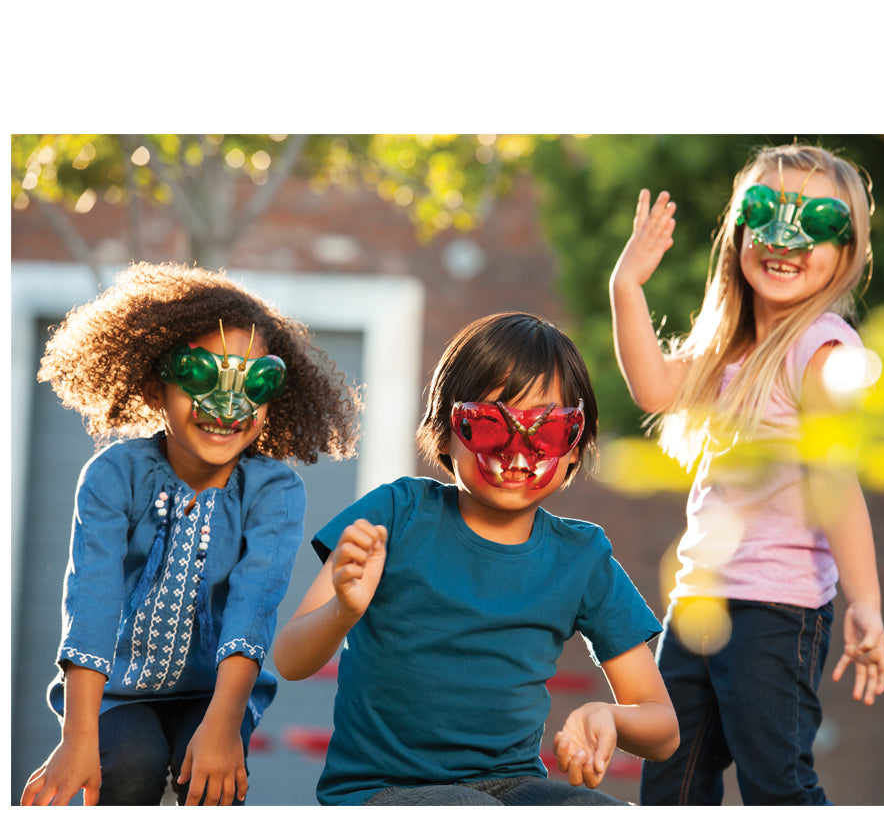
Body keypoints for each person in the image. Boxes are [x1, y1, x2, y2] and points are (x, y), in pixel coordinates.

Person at [272, 312, 679, 805]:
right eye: (488, 424)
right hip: (380, 793)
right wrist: (343, 610)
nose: (517, 450)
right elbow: (290, 658)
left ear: (574, 447)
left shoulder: (583, 557)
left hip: (511, 787)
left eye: (546, 430)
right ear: (445, 432)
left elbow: (662, 728)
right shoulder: (395, 513)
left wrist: (610, 716)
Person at [609, 143, 884, 805]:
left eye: (816, 222)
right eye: (764, 212)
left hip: (778, 609)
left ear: (846, 252)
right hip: (698, 605)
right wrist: (628, 285)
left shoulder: (821, 350)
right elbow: (652, 390)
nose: (783, 238)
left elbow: (838, 485)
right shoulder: (728, 348)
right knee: (671, 786)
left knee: (776, 786)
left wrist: (867, 603)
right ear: (738, 230)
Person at [20, 261, 360, 806]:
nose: (227, 407)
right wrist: (76, 738)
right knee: (129, 765)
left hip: (217, 693)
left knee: (210, 780)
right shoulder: (114, 475)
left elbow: (253, 605)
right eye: (200, 376)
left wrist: (225, 728)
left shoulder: (274, 490)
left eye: (256, 382)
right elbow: (93, 603)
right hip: (115, 694)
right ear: (157, 385)